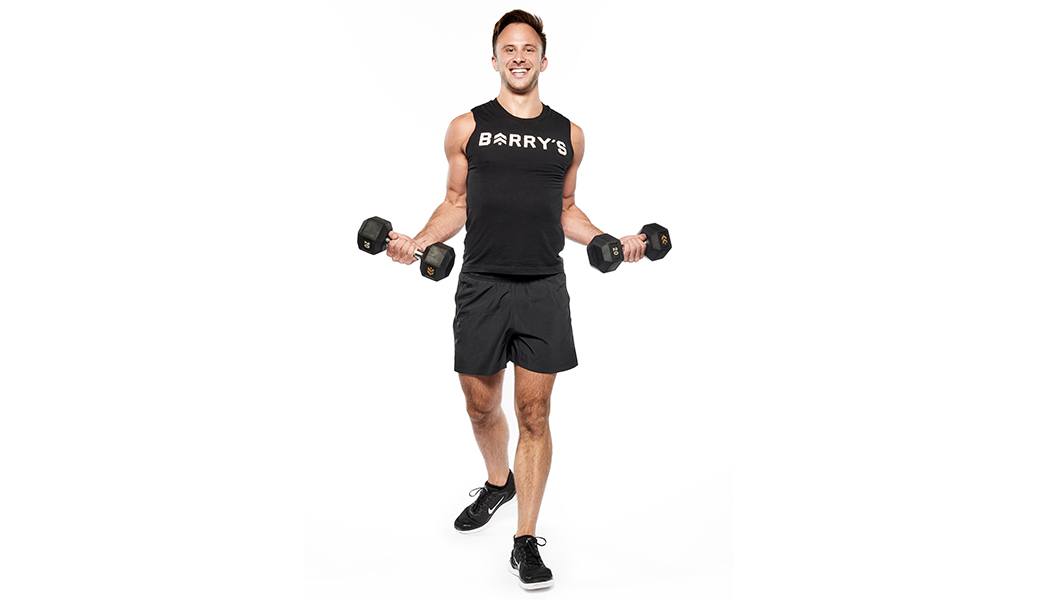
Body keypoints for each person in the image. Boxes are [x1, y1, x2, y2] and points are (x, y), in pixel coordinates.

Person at [384, 9, 649, 591]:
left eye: (530, 48)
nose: (520, 56)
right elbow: (455, 202)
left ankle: (524, 539)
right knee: (481, 406)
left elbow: (567, 209)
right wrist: (420, 241)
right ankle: (498, 483)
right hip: (480, 284)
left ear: (544, 59)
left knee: (535, 413)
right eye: (510, 48)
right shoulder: (466, 128)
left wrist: (610, 239)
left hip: (542, 289)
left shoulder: (568, 134)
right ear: (495, 57)